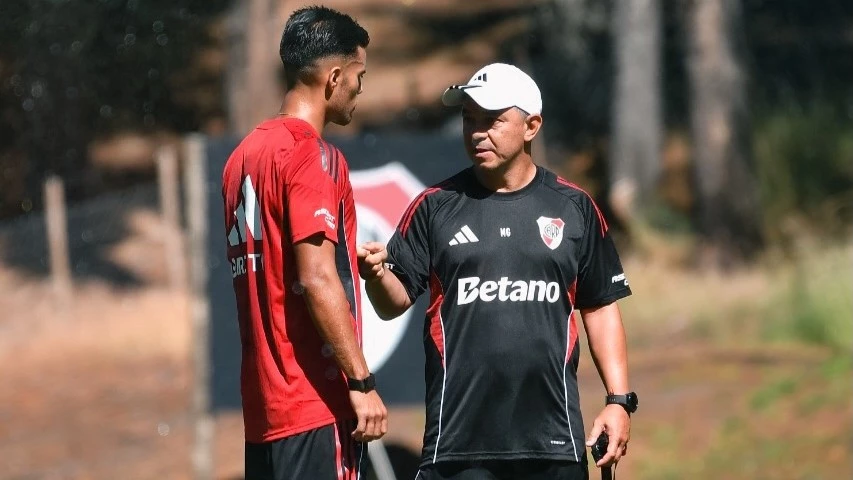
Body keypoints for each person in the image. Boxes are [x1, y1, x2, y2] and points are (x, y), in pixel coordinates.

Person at [357, 63, 637, 480]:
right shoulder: (434, 206)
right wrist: (376, 276)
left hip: (554, 442)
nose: (476, 132)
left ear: (531, 126)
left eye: (492, 120)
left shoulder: (574, 208)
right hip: (457, 445)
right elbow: (392, 303)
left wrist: (618, 400)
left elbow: (599, 307)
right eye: (469, 119)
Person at [222, 6, 387, 480]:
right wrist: (360, 381)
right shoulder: (311, 155)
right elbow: (315, 278)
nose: (360, 89)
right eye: (359, 75)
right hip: (314, 403)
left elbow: (278, 261)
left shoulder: (242, 156)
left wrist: (339, 255)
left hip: (265, 412)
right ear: (334, 77)